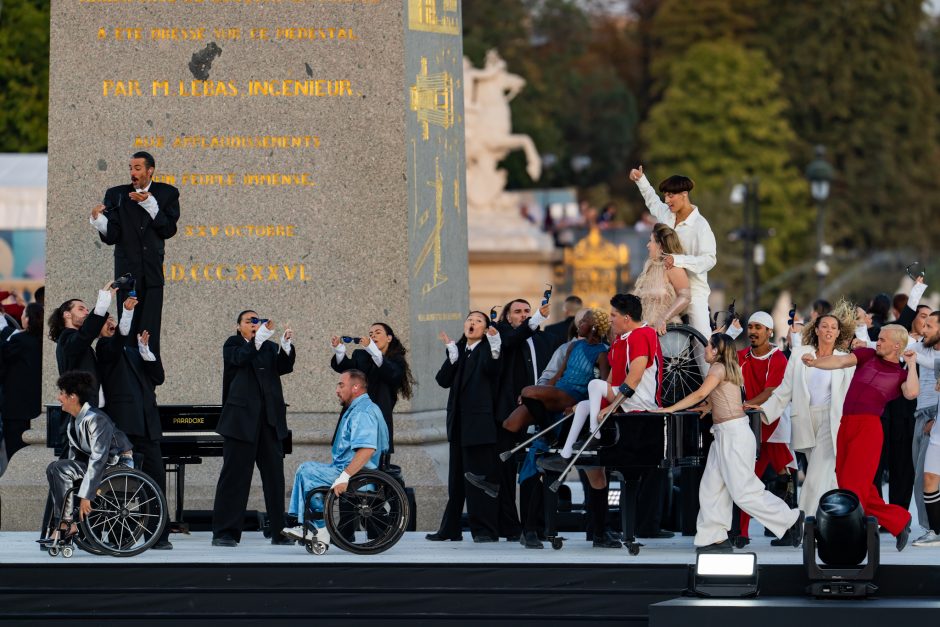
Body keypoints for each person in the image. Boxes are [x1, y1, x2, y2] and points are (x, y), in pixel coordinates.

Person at [657, 332, 802, 552]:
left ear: (716, 351)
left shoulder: (718, 368)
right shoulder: (727, 366)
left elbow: (700, 393)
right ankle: (715, 538)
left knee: (743, 492)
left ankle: (791, 519)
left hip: (734, 435)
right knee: (711, 488)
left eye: (707, 346)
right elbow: (723, 396)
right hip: (724, 434)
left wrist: (670, 408)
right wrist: (710, 406)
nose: (704, 349)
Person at [540, 294, 663, 548]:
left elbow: (636, 376)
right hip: (621, 402)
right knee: (586, 405)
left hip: (637, 406)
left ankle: (595, 434)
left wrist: (611, 407)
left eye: (614, 315)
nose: (610, 319)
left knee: (594, 387)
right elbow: (612, 380)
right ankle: (566, 453)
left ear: (627, 318)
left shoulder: (644, 335)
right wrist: (594, 405)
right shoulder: (618, 343)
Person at [802, 324, 919, 550]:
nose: (878, 342)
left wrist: (912, 363)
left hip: (868, 428)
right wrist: (816, 362)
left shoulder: (900, 374)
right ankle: (898, 519)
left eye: (883, 339)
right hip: (846, 424)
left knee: (855, 487)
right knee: (849, 483)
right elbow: (839, 362)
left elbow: (912, 392)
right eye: (879, 338)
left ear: (897, 345)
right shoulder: (867, 355)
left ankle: (854, 536)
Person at [750, 303, 856, 528]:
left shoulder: (845, 359)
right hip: (805, 420)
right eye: (824, 326)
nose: (828, 330)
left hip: (832, 421)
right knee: (826, 477)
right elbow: (785, 389)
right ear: (816, 330)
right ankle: (832, 524)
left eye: (833, 327)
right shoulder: (799, 355)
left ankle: (802, 522)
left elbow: (851, 396)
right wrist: (764, 411)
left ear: (838, 333)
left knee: (817, 473)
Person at [211, 311, 296, 547]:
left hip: (269, 422)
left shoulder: (268, 348)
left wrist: (286, 345)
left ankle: (279, 531)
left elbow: (283, 367)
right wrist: (258, 340)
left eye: (257, 321)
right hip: (241, 423)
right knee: (235, 477)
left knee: (274, 478)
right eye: (249, 321)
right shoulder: (233, 344)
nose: (254, 324)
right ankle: (225, 532)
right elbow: (240, 358)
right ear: (239, 326)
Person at [95, 297, 171, 549]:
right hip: (124, 427)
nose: (111, 324)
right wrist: (126, 315)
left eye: (113, 320)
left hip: (148, 425)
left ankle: (158, 535)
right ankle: (120, 535)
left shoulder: (132, 350)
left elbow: (157, 377)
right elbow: (114, 345)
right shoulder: (104, 350)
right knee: (123, 486)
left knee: (156, 479)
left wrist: (146, 351)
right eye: (107, 321)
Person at [282, 370, 390, 546]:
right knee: (307, 470)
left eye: (341, 385)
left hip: (358, 474)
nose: (337, 390)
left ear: (355, 387)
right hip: (353, 470)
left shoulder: (362, 412)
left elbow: (367, 449)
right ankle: (312, 525)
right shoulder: (360, 408)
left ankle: (319, 528)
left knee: (307, 471)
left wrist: (344, 477)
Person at [90, 151, 180, 356]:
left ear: (150, 170)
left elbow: (168, 230)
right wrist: (98, 221)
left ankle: (149, 372)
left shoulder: (168, 193)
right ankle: (127, 369)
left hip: (152, 273)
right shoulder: (116, 194)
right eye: (131, 168)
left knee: (149, 330)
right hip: (127, 274)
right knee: (126, 327)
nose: (133, 172)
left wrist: (150, 204)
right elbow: (112, 236)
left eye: (137, 168)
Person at [628, 165, 716, 372]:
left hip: (693, 291)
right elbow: (652, 201)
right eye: (665, 196)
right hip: (665, 289)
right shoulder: (667, 215)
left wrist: (679, 260)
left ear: (684, 195)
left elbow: (710, 259)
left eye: (670, 196)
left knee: (702, 339)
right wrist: (641, 180)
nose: (667, 201)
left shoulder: (701, 226)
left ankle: (712, 394)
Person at [426, 311, 502, 542]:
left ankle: (485, 531)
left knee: (477, 479)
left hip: (479, 426)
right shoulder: (459, 351)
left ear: (486, 328)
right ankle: (450, 529)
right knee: (456, 480)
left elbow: (492, 369)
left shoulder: (488, 349)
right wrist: (452, 354)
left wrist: (495, 341)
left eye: (478, 321)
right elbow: (442, 381)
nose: (472, 323)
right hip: (458, 426)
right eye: (470, 320)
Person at [43, 371, 133, 544]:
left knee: (61, 468)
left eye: (62, 393)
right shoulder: (73, 422)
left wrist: (86, 495)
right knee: (54, 468)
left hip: (117, 465)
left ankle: (66, 525)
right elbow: (73, 458)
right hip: (101, 465)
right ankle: (65, 522)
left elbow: (99, 458)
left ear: (73, 397)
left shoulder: (96, 419)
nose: (58, 397)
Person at [492, 298, 553, 540]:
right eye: (518, 312)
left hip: (539, 413)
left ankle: (534, 526)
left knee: (534, 469)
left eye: (527, 311)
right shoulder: (504, 335)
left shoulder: (544, 339)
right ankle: (509, 527)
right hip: (510, 414)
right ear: (508, 317)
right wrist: (535, 319)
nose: (524, 315)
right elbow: (509, 341)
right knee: (506, 472)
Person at [735, 311, 795, 545]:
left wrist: (748, 405)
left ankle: (789, 530)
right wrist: (728, 334)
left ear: (769, 332)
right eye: (750, 327)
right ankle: (742, 532)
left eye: (758, 327)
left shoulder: (778, 358)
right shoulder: (742, 356)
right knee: (747, 477)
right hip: (751, 423)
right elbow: (720, 358)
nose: (753, 331)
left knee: (784, 476)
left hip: (774, 423)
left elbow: (772, 391)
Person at [501, 308, 610, 434]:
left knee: (527, 391)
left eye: (583, 321)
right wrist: (537, 394)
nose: (578, 324)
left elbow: (604, 384)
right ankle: (548, 432)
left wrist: (583, 405)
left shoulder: (602, 352)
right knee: (509, 424)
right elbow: (558, 375)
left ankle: (547, 433)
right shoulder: (573, 346)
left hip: (574, 395)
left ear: (593, 328)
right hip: (557, 390)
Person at [330, 322, 415, 453]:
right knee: (348, 462)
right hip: (354, 418)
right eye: (370, 334)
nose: (373, 336)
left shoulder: (396, 360)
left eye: (378, 332)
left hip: (377, 419)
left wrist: (373, 350)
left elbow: (393, 374)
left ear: (389, 338)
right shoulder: (361, 355)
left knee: (374, 464)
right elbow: (346, 369)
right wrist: (339, 350)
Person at [911, 311, 940, 546]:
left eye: (929, 325)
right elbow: (901, 341)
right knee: (922, 476)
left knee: (926, 476)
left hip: (934, 416)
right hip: (921, 416)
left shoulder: (926, 355)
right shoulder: (923, 348)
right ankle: (931, 528)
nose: (924, 329)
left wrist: (936, 418)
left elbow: (933, 364)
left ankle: (932, 529)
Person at [0, 302, 43, 460]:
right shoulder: (44, 341)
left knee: (16, 452)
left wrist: (5, 333)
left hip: (16, 407)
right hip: (36, 405)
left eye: (24, 314)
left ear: (28, 319)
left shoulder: (19, 340)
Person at [631, 223, 691, 335]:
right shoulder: (650, 267)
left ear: (660, 245)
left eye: (651, 241)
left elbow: (686, 297)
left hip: (667, 331)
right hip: (645, 329)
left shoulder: (672, 267)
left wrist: (663, 318)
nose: (647, 245)